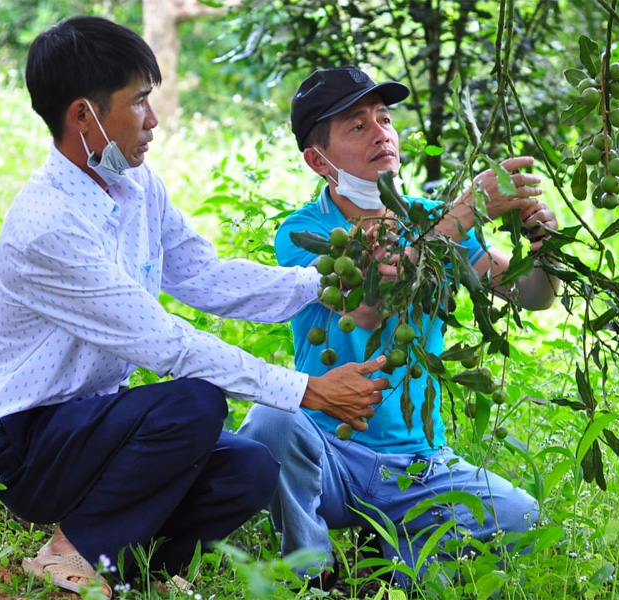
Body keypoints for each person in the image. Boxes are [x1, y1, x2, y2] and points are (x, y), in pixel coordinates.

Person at [0, 21, 389, 598]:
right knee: (194, 402)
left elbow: (205, 275)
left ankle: (127, 568)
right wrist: (307, 389)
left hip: (100, 425)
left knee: (250, 468)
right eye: (139, 102)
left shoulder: (139, 188)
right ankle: (69, 553)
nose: (154, 120)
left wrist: (324, 280)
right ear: (82, 116)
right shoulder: (49, 227)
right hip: (33, 447)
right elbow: (168, 343)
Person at [237, 66, 560, 590]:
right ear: (318, 160)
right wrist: (469, 208)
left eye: (384, 119)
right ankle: (311, 572)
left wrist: (545, 246)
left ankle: (388, 562)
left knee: (523, 518)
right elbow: (371, 305)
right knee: (270, 423)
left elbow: (532, 296)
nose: (381, 132)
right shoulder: (306, 231)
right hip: (330, 455)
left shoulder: (430, 218)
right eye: (357, 125)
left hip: (419, 464)